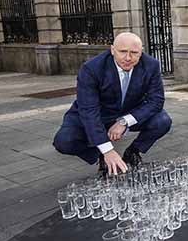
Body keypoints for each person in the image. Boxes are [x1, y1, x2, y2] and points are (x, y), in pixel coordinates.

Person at [53, 32, 172, 176]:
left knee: (162, 121)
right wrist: (107, 150)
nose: (128, 58)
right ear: (112, 50)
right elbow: (89, 111)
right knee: (64, 141)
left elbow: (156, 101)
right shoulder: (91, 69)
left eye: (134, 53)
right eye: (122, 52)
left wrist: (125, 121)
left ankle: (133, 151)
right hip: (98, 114)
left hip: (129, 111)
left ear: (141, 53)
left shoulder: (151, 65)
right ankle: (101, 156)